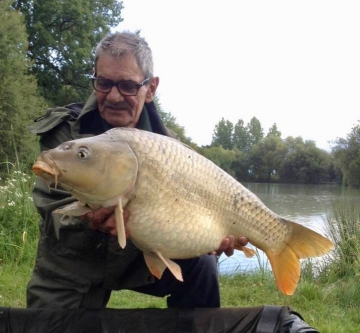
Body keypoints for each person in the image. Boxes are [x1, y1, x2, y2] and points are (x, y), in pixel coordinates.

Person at [27, 31, 248, 309]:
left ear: (151, 88)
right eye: (104, 83)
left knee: (203, 264)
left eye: (128, 86)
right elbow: (52, 212)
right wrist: (88, 219)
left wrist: (211, 238)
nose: (115, 96)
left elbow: (191, 213)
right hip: (71, 265)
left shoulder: (169, 149)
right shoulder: (66, 137)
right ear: (94, 78)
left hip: (137, 261)